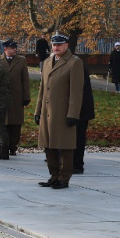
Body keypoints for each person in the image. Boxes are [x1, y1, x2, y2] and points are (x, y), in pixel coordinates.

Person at [34, 34, 84, 189]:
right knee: (49, 145)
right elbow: (43, 89)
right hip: (47, 111)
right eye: (54, 45)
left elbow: (76, 92)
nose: (56, 47)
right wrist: (38, 110)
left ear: (66, 45)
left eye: (59, 45)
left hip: (63, 111)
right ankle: (54, 175)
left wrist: (73, 114)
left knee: (65, 145)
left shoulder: (74, 63)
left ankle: (64, 178)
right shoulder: (48, 62)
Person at [1, 39, 30, 155]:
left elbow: (25, 80)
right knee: (3, 121)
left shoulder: (21, 61)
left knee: (16, 122)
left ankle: (13, 146)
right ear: (5, 49)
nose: (15, 50)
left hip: (17, 96)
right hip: (2, 97)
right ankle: (4, 144)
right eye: (12, 48)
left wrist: (26, 96)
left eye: (15, 48)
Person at [69, 43, 95, 174]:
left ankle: (77, 164)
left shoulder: (76, 64)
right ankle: (74, 162)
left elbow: (78, 90)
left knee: (78, 137)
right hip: (78, 108)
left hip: (80, 109)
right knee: (75, 137)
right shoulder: (75, 63)